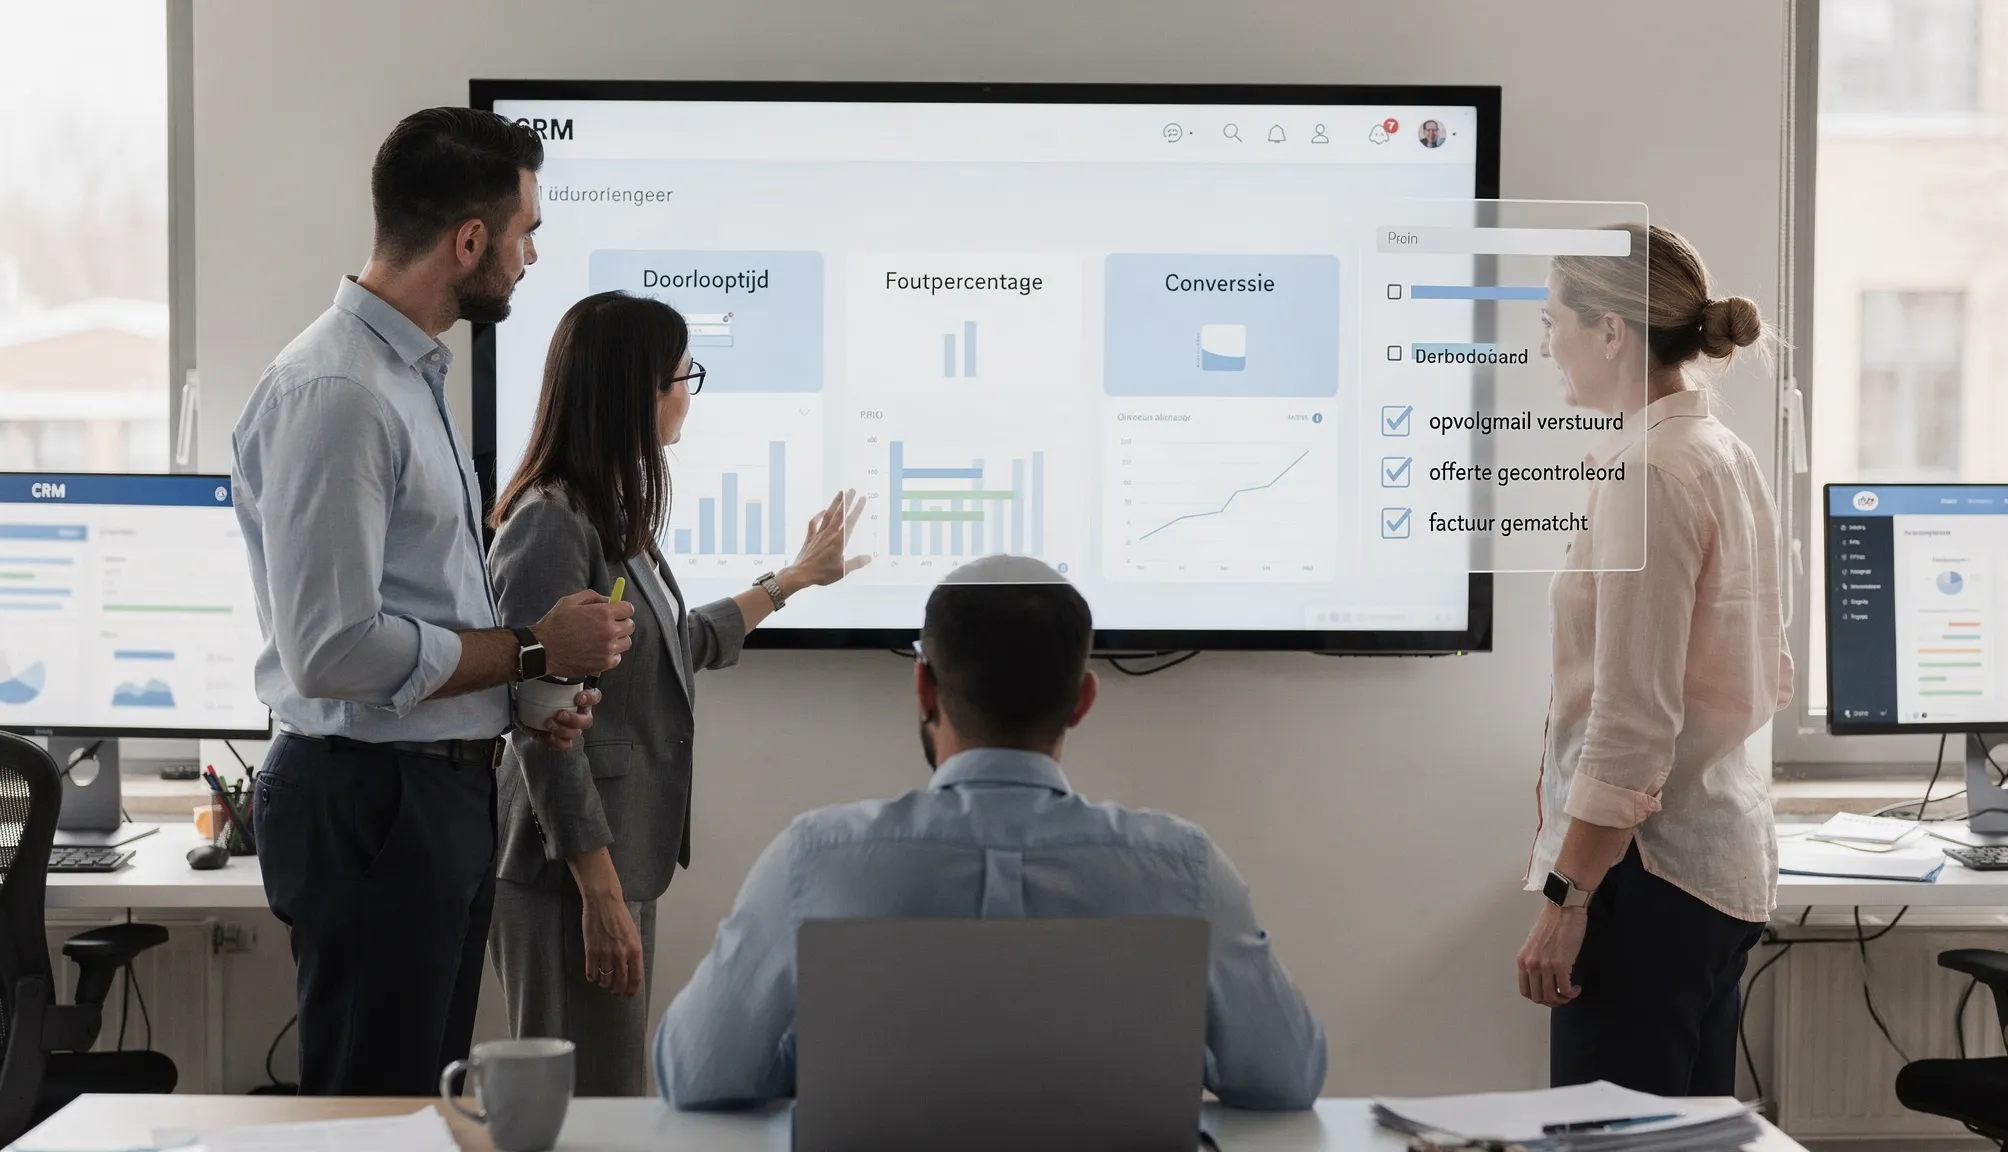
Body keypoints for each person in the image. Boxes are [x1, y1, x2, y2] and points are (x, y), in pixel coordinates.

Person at [233, 108, 635, 1096]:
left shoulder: (407, 377)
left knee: (419, 1103)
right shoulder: (341, 393)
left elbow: (419, 609)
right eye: (525, 231)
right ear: (468, 240)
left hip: (430, 792)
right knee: (378, 1114)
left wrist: (517, 699)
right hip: (374, 802)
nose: (532, 255)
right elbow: (334, 650)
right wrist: (534, 652)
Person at [653, 555, 1327, 1111]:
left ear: (923, 688)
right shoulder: (1182, 867)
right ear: (1083, 700)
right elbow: (1287, 1075)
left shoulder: (816, 861)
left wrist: (819, 1054)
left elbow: (697, 1071)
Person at [486, 291, 866, 1097]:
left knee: (611, 1095)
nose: (687, 391)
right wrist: (598, 890)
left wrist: (792, 580)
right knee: (582, 1110)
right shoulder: (552, 522)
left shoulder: (611, 512)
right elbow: (540, 717)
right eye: (679, 374)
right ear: (634, 391)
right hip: (571, 867)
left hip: (617, 856)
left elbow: (674, 649)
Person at [1516, 223, 1793, 1095]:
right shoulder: (1720, 452)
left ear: (1610, 331)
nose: (1546, 340)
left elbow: (1634, 722)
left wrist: (1569, 901)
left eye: (1555, 317)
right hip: (1712, 868)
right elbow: (1763, 670)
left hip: (1645, 879)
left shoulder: (1652, 472)